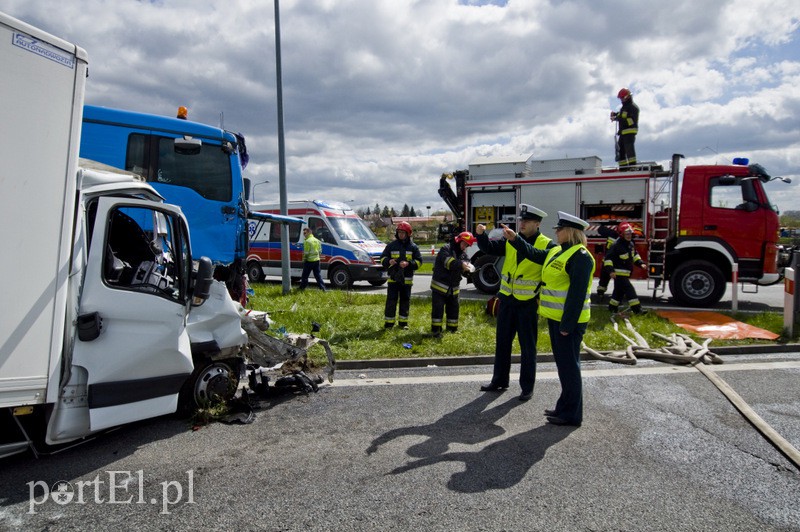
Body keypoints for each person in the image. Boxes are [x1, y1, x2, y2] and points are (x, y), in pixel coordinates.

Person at [476, 204, 556, 401]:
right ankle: (499, 380)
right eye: (521, 220)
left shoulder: (548, 245)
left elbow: (532, 255)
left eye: (527, 221)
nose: (522, 223)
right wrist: (481, 235)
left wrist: (515, 239)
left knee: (528, 347)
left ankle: (527, 387)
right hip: (507, 300)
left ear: (537, 224)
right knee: (502, 343)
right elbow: (490, 248)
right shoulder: (512, 240)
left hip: (527, 303)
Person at [538, 211, 595, 427]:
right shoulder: (563, 252)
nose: (556, 232)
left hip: (569, 322)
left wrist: (567, 324)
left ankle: (572, 414)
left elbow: (577, 294)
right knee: (565, 366)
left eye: (559, 229)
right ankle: (564, 407)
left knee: (570, 367)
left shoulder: (580, 257)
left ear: (569, 232)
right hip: (558, 319)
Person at [430, 231, 476, 337]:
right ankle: (436, 330)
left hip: (453, 288)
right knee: (438, 309)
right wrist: (462, 264)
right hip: (440, 287)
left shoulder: (463, 255)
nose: (465, 247)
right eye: (464, 244)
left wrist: (469, 271)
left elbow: (463, 270)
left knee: (453, 310)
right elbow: (449, 263)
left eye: (467, 245)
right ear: (459, 240)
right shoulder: (446, 249)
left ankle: (452, 329)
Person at [380, 221, 423, 329]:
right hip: (393, 279)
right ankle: (389, 323)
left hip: (406, 280)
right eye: (399, 232)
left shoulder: (413, 247)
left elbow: (419, 262)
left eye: (403, 233)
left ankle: (403, 323)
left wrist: (408, 264)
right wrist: (389, 261)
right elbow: (382, 258)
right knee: (391, 301)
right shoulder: (391, 246)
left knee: (405, 301)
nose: (401, 235)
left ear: (408, 234)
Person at [604, 222, 648, 314]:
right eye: (627, 234)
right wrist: (611, 271)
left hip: (626, 273)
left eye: (630, 234)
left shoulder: (630, 244)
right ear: (621, 234)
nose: (629, 236)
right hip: (619, 274)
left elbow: (635, 255)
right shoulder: (616, 245)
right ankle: (637, 310)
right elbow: (608, 259)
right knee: (629, 290)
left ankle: (612, 308)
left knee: (618, 292)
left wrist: (641, 263)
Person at [611, 88, 639, 167]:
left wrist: (617, 118)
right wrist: (615, 115)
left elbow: (630, 121)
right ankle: (623, 168)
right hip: (623, 133)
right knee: (621, 152)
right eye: (620, 98)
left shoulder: (633, 107)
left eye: (622, 98)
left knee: (629, 150)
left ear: (627, 97)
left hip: (629, 132)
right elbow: (622, 115)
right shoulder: (625, 108)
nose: (621, 100)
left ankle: (633, 167)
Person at [594, 222, 620, 303]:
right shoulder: (621, 238)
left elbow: (600, 229)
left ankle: (601, 295)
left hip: (609, 261)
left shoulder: (611, 233)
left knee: (604, 280)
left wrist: (603, 224)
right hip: (613, 262)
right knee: (615, 280)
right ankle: (615, 298)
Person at [299, 226, 327, 291]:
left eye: (305, 233)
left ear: (309, 232)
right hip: (317, 261)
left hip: (309, 261)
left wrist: (304, 259)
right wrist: (317, 256)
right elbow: (320, 251)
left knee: (305, 276)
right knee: (318, 276)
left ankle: (302, 288)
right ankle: (323, 289)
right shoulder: (317, 240)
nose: (304, 235)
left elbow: (306, 252)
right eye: (304, 233)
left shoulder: (307, 241)